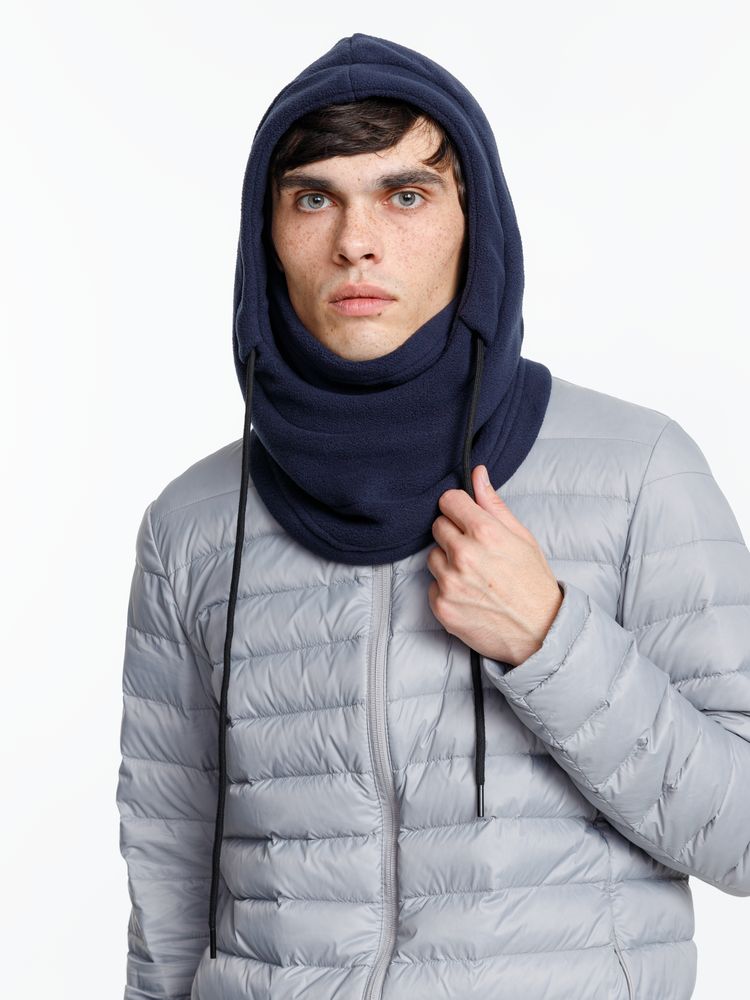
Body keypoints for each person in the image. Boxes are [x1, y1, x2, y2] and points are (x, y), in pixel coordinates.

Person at [115, 32, 750, 1000]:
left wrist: (550, 640)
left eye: (405, 195)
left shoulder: (637, 470)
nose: (355, 241)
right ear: (266, 232)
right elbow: (168, 871)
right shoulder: (194, 525)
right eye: (313, 198)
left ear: (472, 222)